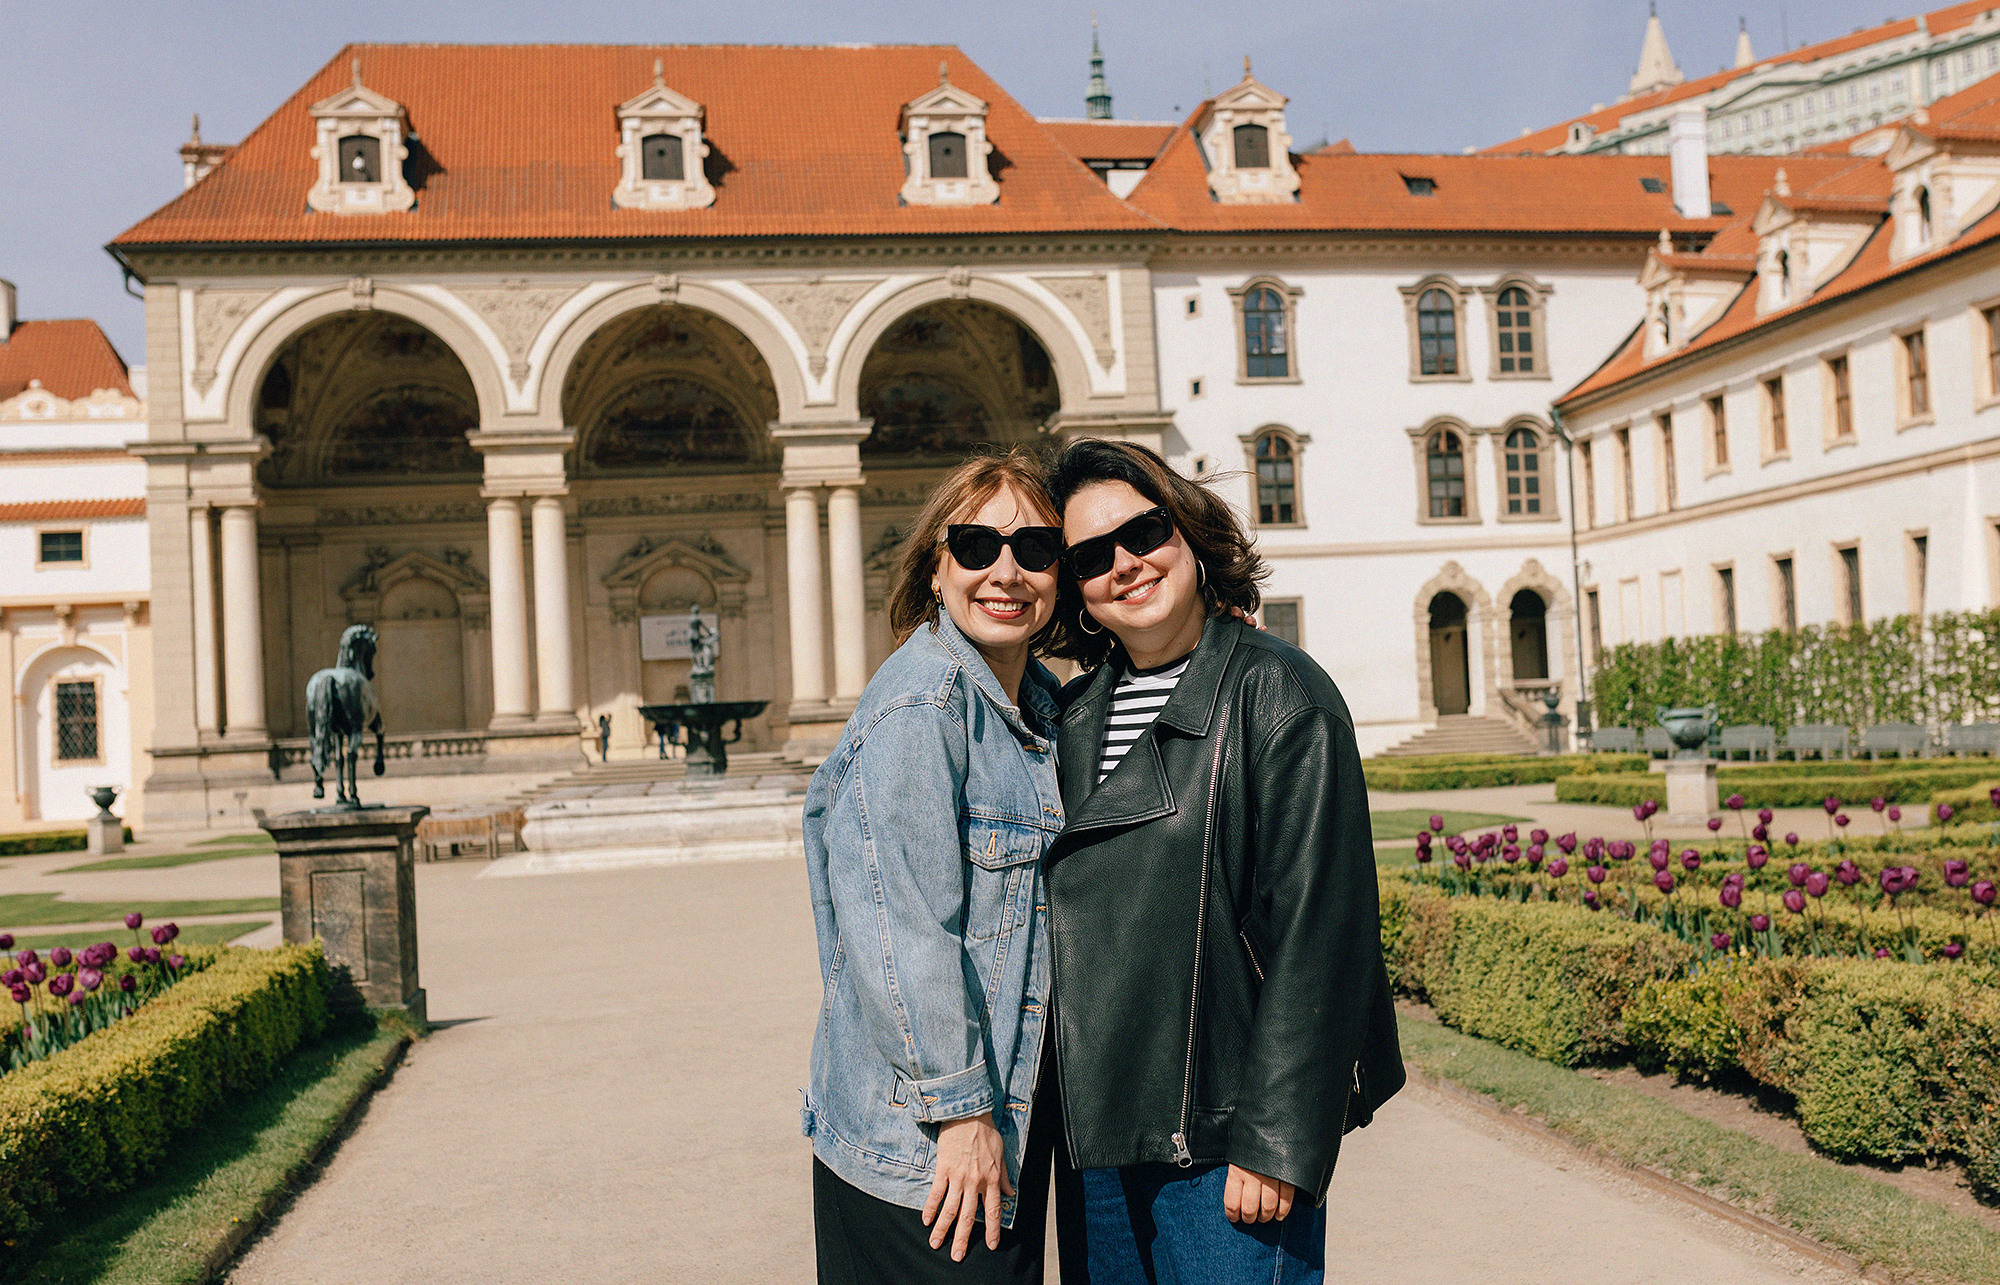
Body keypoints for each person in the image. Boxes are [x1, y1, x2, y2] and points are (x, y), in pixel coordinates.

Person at [1038, 438, 1403, 1284]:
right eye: (1091, 556)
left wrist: (1277, 1138)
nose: (1125, 563)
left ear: (1190, 534)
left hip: (1224, 1143)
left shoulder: (1280, 695)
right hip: (1101, 1142)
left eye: (1145, 531)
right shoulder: (1073, 714)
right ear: (1080, 593)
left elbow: (1324, 931)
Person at [803, 449, 1071, 1284]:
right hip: (936, 1151)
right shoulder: (925, 704)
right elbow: (906, 933)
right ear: (935, 568)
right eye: (977, 545)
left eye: (1034, 549)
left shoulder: (1038, 703)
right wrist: (961, 1115)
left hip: (987, 1133)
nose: (1007, 570)